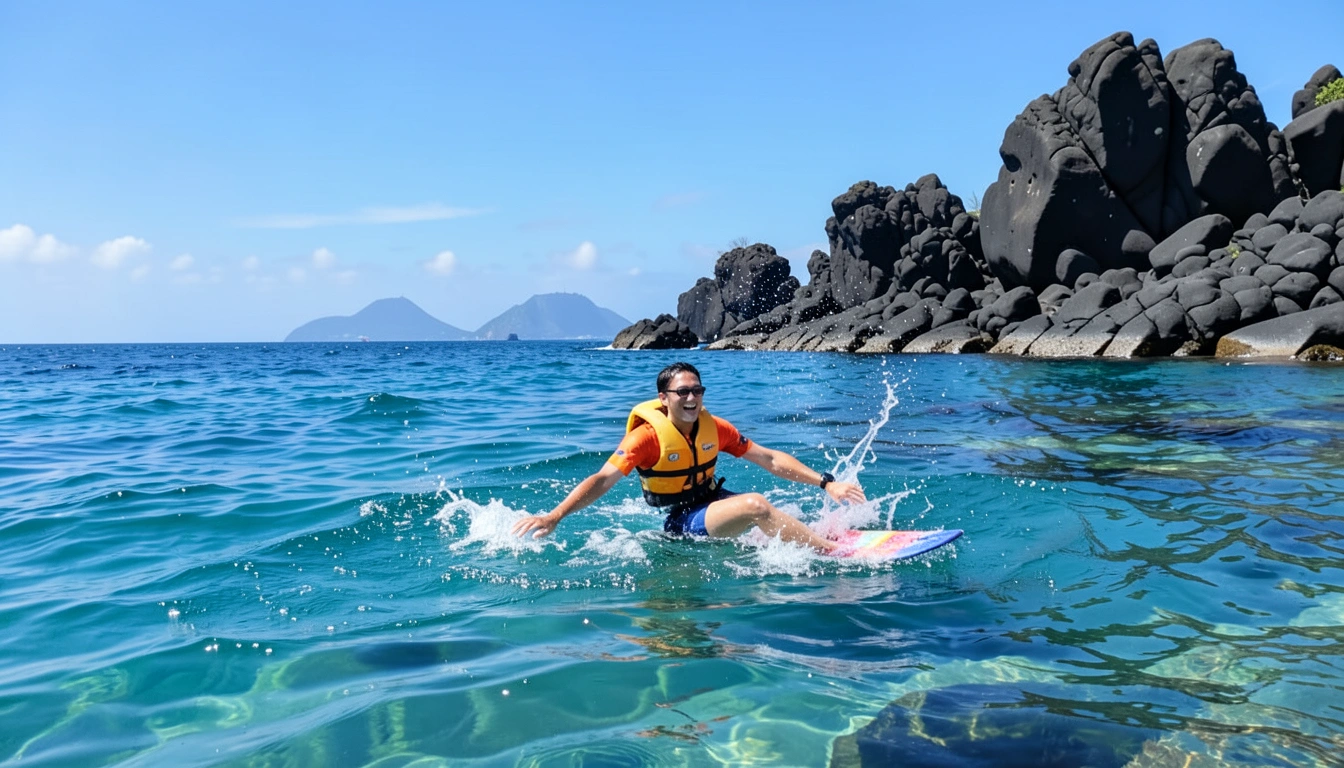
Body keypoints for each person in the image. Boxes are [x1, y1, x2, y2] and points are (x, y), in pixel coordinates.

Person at [511, 361, 866, 552]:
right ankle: (828, 553)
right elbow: (603, 478)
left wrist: (827, 484)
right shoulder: (646, 438)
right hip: (679, 520)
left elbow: (769, 459)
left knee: (767, 514)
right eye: (683, 392)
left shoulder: (716, 428)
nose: (692, 398)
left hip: (710, 501)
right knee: (756, 505)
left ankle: (816, 540)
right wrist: (555, 516)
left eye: (697, 390)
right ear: (664, 398)